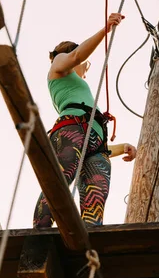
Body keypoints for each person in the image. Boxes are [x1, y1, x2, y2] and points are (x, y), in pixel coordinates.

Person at [33, 12, 137, 228]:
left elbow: (97, 142)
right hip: (73, 129)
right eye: (86, 66)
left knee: (96, 199)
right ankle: (40, 232)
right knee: (60, 182)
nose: (86, 70)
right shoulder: (59, 65)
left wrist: (122, 147)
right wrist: (105, 30)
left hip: (96, 143)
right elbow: (76, 56)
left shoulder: (80, 90)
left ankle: (89, 242)